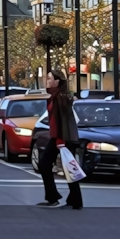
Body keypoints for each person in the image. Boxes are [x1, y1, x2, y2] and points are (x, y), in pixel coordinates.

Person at [36, 71, 82, 209]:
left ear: (57, 81)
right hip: (60, 136)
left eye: (50, 78)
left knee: (56, 166)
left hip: (63, 137)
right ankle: (71, 200)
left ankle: (59, 198)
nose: (47, 80)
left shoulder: (60, 97)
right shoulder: (56, 96)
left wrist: (60, 140)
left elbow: (63, 120)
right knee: (67, 167)